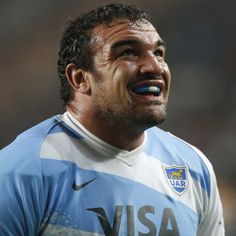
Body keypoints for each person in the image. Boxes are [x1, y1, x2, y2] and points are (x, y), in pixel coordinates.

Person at [0, 3, 225, 236]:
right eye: (128, 52)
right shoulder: (23, 171)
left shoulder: (193, 168)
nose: (154, 66)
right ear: (79, 78)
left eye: (158, 53)